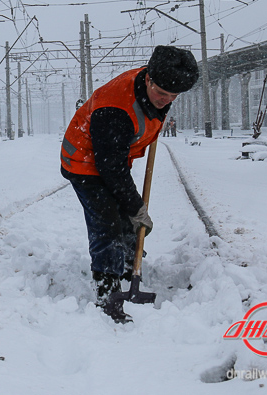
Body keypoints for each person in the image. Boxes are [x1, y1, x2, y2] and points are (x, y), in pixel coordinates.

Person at [59, 46, 199, 319]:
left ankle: (126, 265)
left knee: (124, 216)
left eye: (173, 96)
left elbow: (117, 165)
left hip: (110, 159)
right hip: (83, 163)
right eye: (161, 93)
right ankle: (108, 290)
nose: (166, 100)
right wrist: (136, 206)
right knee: (107, 223)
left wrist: (131, 208)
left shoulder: (155, 86)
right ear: (148, 79)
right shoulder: (115, 107)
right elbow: (110, 169)